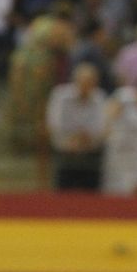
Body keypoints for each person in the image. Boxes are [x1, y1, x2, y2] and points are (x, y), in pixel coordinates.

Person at [46, 62, 107, 190]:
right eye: (84, 81)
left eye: (90, 82)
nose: (86, 86)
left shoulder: (99, 97)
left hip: (91, 154)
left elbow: (102, 125)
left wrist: (88, 138)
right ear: (75, 81)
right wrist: (70, 139)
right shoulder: (60, 95)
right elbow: (54, 123)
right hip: (65, 153)